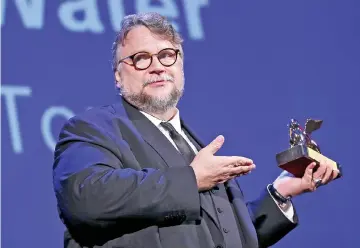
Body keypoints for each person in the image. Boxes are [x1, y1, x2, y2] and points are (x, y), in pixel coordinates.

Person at [52, 12, 339, 248]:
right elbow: (85, 198)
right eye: (140, 58)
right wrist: (191, 179)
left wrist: (279, 193)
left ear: (181, 66)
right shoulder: (92, 129)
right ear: (118, 75)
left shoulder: (191, 143)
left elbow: (211, 237)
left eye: (167, 55)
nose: (157, 67)